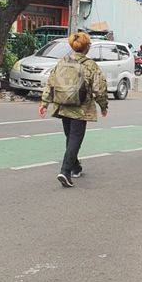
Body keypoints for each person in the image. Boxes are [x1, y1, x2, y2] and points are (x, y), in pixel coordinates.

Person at [39, 32, 108, 188]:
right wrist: (103, 106)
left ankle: (76, 167)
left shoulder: (62, 61)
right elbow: (99, 88)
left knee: (70, 138)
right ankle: (65, 171)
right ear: (87, 47)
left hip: (63, 106)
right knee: (75, 139)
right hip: (81, 108)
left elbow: (51, 82)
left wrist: (44, 103)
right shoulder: (90, 65)